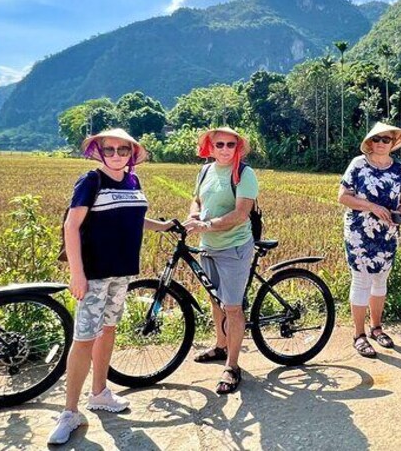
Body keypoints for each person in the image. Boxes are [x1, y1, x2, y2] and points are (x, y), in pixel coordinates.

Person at [49, 129, 174, 445]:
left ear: (131, 154)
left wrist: (163, 226)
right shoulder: (91, 181)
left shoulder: (133, 182)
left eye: (123, 150)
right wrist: (78, 274)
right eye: (110, 149)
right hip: (94, 274)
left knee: (107, 330)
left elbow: (134, 218)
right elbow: (72, 226)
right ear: (99, 152)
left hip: (122, 273)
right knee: (84, 338)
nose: (117, 154)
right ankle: (69, 412)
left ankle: (100, 392)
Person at [184, 127, 259, 394]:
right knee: (216, 301)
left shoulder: (244, 174)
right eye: (219, 145)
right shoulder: (205, 171)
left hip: (234, 247)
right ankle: (220, 345)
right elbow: (196, 200)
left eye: (230, 144)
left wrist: (207, 225)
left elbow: (240, 214)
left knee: (233, 308)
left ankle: (232, 366)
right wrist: (194, 217)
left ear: (237, 148)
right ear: (210, 147)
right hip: (208, 246)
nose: (225, 149)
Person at [338, 122, 401, 358]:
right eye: (377, 139)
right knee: (362, 280)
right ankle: (358, 335)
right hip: (360, 232)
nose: (381, 143)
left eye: (386, 140)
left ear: (393, 143)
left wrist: (399, 212)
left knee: (380, 280)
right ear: (370, 142)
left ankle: (376, 328)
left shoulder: (399, 168)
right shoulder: (358, 165)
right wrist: (371, 206)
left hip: (388, 232)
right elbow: (343, 197)